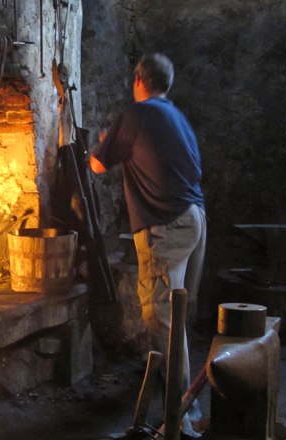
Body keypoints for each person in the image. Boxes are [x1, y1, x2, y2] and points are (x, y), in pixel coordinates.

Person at [90, 53, 206, 438]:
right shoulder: (175, 116)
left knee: (161, 320)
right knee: (175, 320)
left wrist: (106, 140)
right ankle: (188, 402)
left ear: (138, 80)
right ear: (165, 84)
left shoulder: (136, 114)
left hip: (165, 226)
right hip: (193, 218)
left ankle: (178, 422)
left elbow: (96, 165)